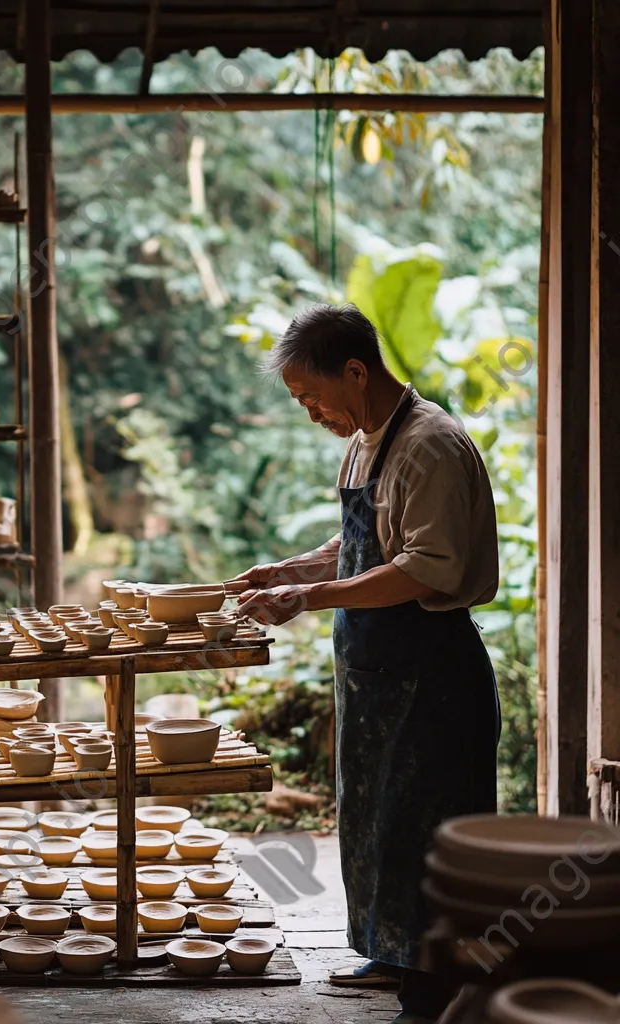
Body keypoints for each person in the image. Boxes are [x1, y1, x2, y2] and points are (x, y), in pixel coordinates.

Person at [231, 303, 501, 1024]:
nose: (311, 411)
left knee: (429, 828)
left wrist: (309, 595)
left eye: (312, 396)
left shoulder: (430, 444)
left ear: (356, 372)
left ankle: (434, 983)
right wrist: (286, 569)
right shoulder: (365, 443)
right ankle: (392, 951)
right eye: (300, 402)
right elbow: (363, 541)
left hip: (431, 671)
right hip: (375, 674)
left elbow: (424, 570)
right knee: (376, 819)